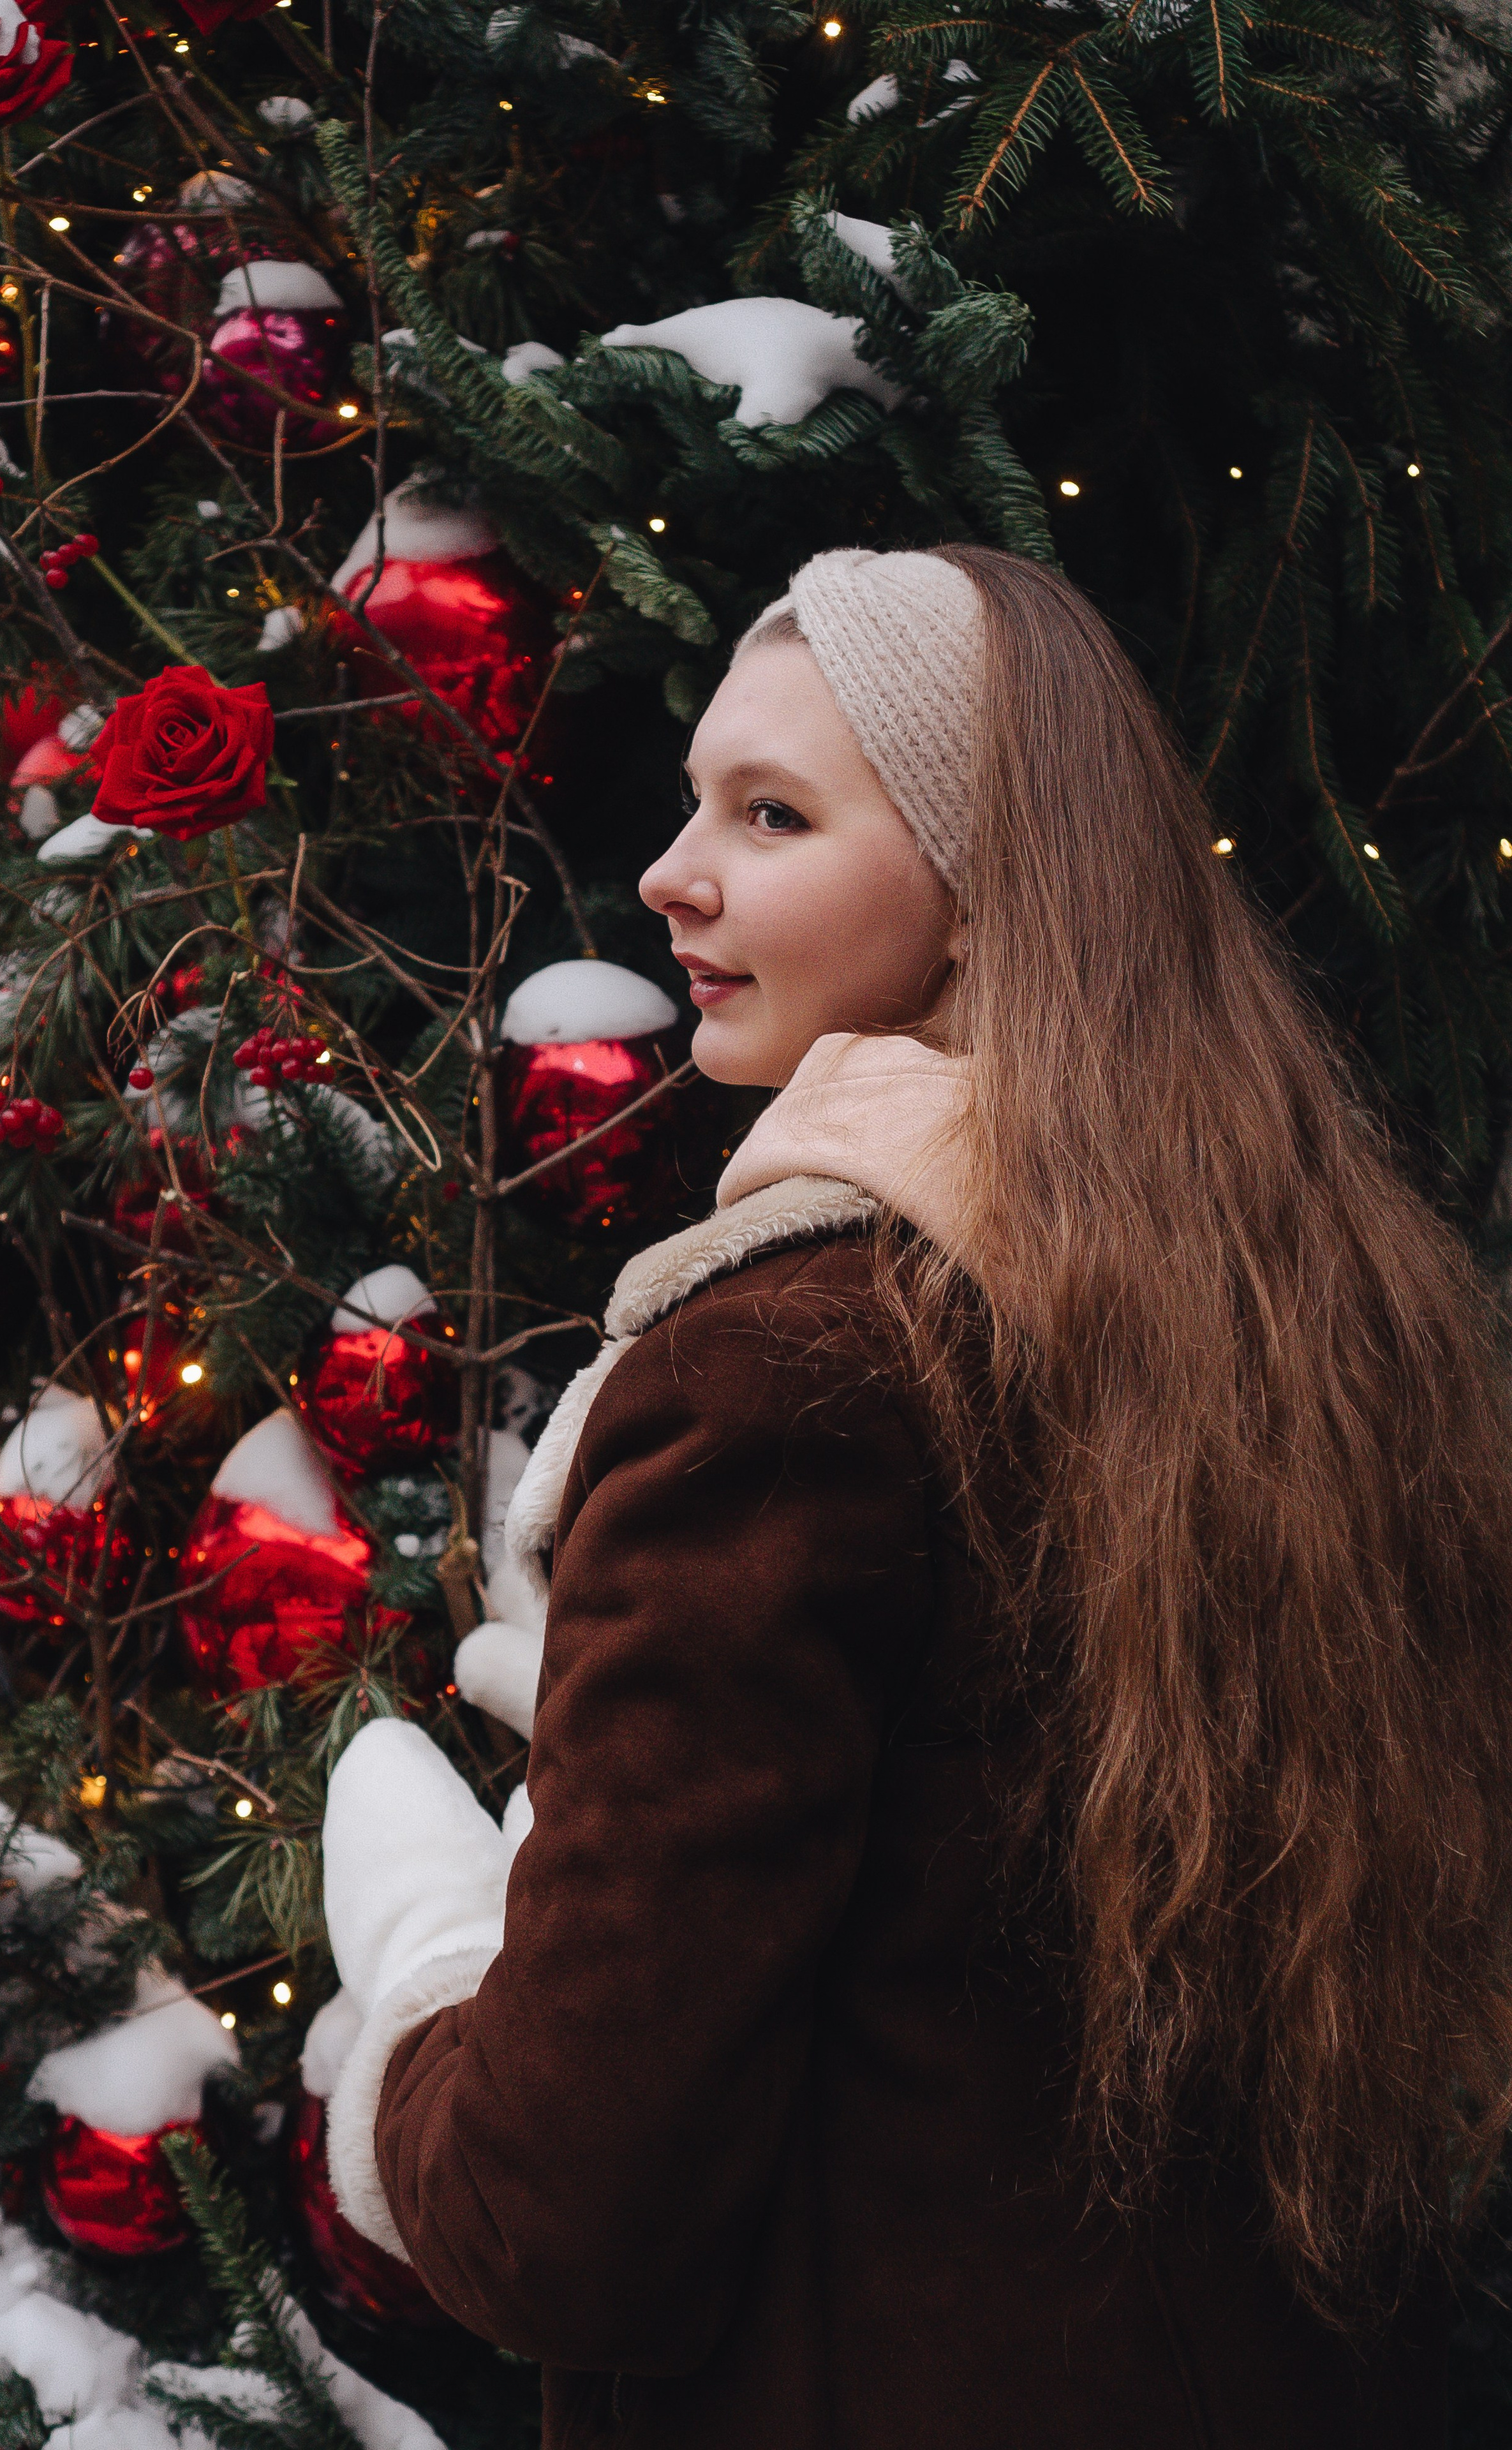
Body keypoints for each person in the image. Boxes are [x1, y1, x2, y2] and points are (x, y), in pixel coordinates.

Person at [316, 544, 1512, 2447]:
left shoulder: (783, 1371)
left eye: (772, 814)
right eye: (697, 798)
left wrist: (428, 1974)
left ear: (985, 887)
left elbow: (568, 2229)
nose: (670, 873)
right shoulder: (1304, 1316)